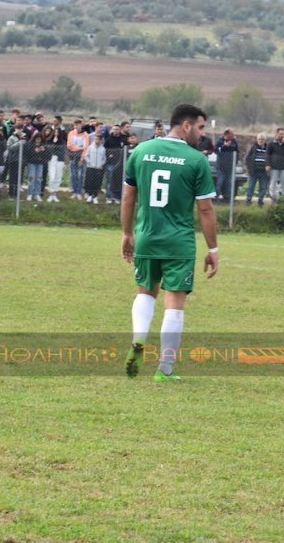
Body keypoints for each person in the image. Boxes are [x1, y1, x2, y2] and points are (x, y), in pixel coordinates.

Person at [121, 103, 219, 383]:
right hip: (179, 242)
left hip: (147, 237)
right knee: (174, 303)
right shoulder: (196, 159)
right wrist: (213, 249)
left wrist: (127, 233)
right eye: (200, 127)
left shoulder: (140, 151)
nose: (201, 134)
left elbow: (128, 198)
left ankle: (139, 339)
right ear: (186, 125)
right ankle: (164, 370)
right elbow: (205, 210)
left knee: (145, 293)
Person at [267, 127, 284, 202]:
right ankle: (273, 197)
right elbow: (267, 154)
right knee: (273, 182)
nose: (282, 135)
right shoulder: (271, 144)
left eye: (283, 134)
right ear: (276, 134)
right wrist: (268, 164)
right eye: (280, 134)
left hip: (283, 166)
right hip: (274, 166)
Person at [214, 128, 240, 203]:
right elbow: (216, 150)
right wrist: (224, 146)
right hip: (221, 167)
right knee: (219, 183)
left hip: (230, 167)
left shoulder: (234, 142)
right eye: (231, 134)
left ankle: (228, 200)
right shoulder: (220, 141)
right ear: (227, 134)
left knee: (230, 184)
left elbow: (237, 152)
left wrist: (236, 162)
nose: (233, 135)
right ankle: (216, 200)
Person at [67, 118, 90, 198]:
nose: (76, 126)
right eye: (75, 125)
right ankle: (74, 191)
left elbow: (86, 147)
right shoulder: (71, 133)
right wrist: (79, 147)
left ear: (81, 125)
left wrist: (82, 158)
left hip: (81, 158)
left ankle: (79, 192)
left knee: (80, 175)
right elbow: (69, 145)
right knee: (73, 175)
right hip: (72, 157)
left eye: (78, 124)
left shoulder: (85, 135)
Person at [244, 133, 269, 207]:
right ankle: (248, 200)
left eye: (262, 139)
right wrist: (250, 168)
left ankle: (260, 201)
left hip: (264, 172)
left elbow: (271, 158)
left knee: (263, 187)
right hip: (254, 171)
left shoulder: (268, 149)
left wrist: (268, 165)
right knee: (251, 186)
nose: (261, 140)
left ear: (265, 140)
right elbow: (247, 159)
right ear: (257, 140)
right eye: (259, 139)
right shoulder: (253, 147)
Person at [83, 131, 107, 202]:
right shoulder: (90, 147)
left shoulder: (103, 149)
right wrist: (89, 162)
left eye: (97, 139)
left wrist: (101, 164)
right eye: (95, 139)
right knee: (90, 182)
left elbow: (104, 158)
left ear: (100, 140)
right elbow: (86, 156)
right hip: (90, 167)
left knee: (97, 183)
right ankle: (90, 195)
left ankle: (95, 196)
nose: (96, 140)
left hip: (99, 168)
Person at [25, 133, 48, 201]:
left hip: (40, 164)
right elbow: (27, 153)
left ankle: (37, 194)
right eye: (37, 139)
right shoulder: (30, 145)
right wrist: (35, 151)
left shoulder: (43, 145)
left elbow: (47, 155)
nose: (38, 140)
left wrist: (43, 151)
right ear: (34, 138)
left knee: (39, 178)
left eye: (40, 139)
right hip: (31, 163)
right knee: (31, 178)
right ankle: (30, 194)